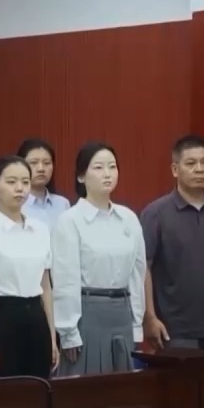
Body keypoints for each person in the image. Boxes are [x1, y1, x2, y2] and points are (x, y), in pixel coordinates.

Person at [141, 135, 204, 352]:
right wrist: (149, 317)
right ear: (175, 169)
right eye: (191, 163)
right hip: (175, 330)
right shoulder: (156, 213)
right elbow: (144, 268)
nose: (199, 169)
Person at [50, 142, 146, 376]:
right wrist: (69, 332)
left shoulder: (128, 218)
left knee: (122, 388)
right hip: (88, 314)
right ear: (81, 176)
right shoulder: (70, 220)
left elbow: (137, 273)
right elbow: (65, 280)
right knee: (88, 388)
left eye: (112, 167)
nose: (107, 174)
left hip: (122, 313)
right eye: (99, 167)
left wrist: (137, 324)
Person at [0, 156, 59, 378]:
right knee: (3, 393)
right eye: (11, 182)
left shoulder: (40, 230)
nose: (20, 188)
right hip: (2, 320)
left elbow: (46, 287)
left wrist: (52, 337)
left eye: (25, 182)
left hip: (36, 319)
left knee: (38, 390)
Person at [18, 138, 70, 230]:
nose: (41, 168)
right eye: (34, 162)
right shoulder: (15, 205)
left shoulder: (62, 203)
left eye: (47, 163)